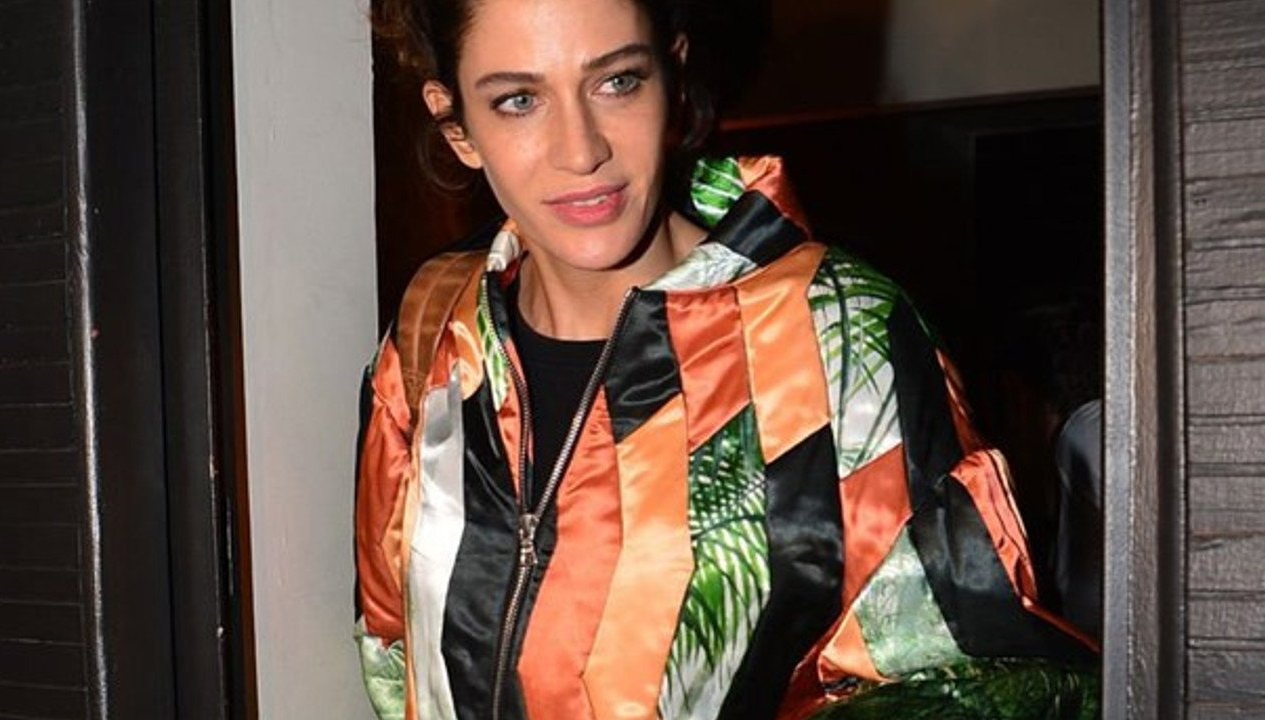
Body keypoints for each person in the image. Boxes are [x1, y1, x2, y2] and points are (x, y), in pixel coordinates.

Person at [353, 0, 1099, 718]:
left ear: (673, 81)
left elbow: (965, 678)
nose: (581, 151)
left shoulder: (835, 332)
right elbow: (393, 644)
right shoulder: (433, 332)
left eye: (617, 81)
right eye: (519, 100)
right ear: (457, 126)